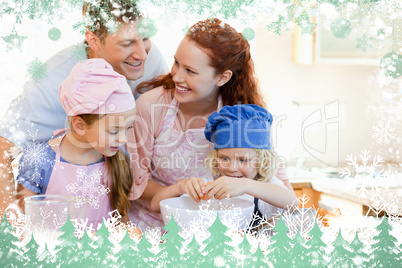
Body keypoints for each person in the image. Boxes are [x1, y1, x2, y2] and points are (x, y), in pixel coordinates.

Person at [0, 0, 168, 218]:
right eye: (127, 44)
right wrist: (13, 224)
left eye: (145, 38)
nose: (142, 54)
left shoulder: (149, 59)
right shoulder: (46, 88)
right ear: (93, 40)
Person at [127, 18, 272, 230]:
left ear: (222, 77)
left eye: (190, 71)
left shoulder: (241, 117)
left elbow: (273, 177)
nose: (176, 76)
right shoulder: (150, 106)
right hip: (150, 225)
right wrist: (180, 189)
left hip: (211, 229)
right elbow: (134, 181)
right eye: (177, 63)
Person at [16, 58, 136, 229]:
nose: (123, 139)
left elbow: (121, 222)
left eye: (128, 128)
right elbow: (23, 225)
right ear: (80, 126)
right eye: (114, 131)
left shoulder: (119, 158)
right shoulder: (39, 161)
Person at [150, 105, 297, 227]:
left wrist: (246, 185)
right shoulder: (210, 183)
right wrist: (180, 187)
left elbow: (293, 203)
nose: (232, 168)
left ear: (261, 160)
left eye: (243, 160)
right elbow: (155, 206)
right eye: (224, 158)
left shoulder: (267, 186)